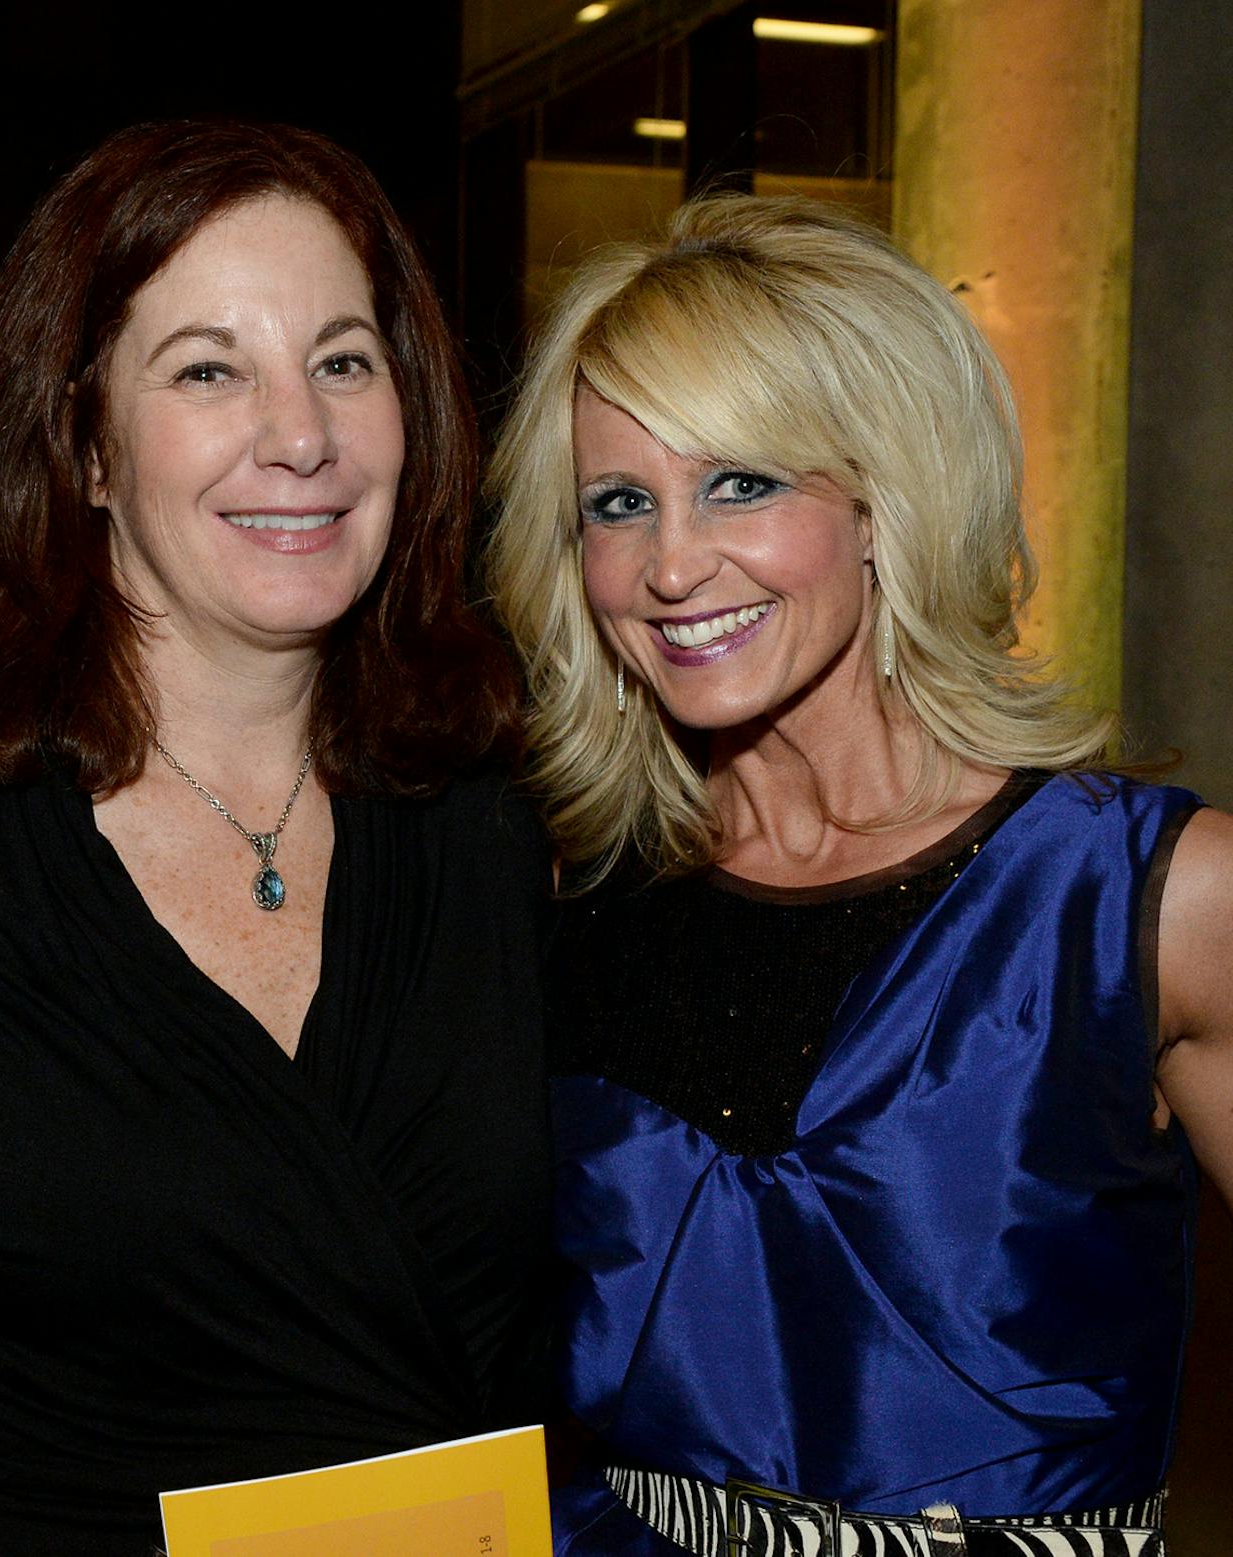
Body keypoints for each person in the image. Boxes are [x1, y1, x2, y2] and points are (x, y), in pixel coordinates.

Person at [0, 120, 557, 1555]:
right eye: (208, 370)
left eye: (343, 361)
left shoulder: (503, 833)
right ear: (87, 446)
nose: (299, 434)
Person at [487, 194, 1233, 1556]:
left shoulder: (1151, 897)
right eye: (619, 504)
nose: (671, 564)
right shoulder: (560, 893)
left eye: (743, 483)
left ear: (884, 502)